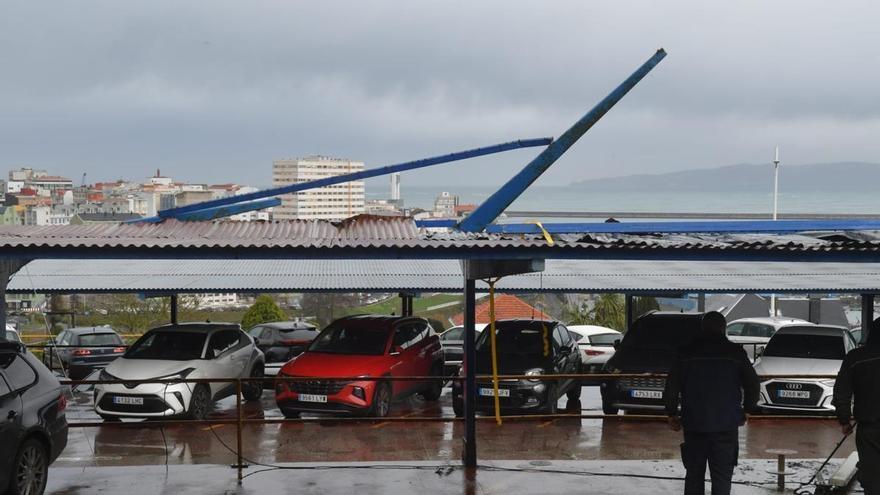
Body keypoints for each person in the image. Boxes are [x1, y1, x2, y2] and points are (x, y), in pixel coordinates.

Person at [664, 311, 760, 495]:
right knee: (722, 477)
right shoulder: (736, 353)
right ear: (724, 328)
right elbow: (753, 385)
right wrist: (747, 411)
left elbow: (672, 386)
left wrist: (671, 413)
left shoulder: (685, 353)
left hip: (694, 424)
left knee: (694, 474)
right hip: (726, 425)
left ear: (702, 328)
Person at [833, 317, 880, 494]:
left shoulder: (856, 358)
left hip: (869, 428)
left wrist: (844, 420)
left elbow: (841, 391)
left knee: (871, 473)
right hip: (869, 426)